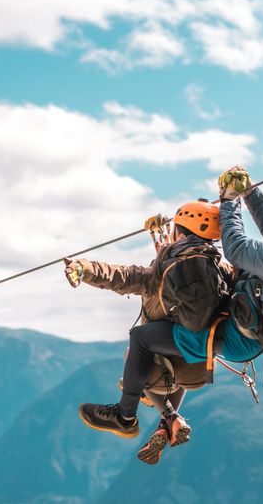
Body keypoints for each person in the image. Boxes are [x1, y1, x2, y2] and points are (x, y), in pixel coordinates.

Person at [73, 166, 263, 444]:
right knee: (177, 339)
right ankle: (168, 415)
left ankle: (124, 417)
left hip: (235, 335)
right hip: (249, 330)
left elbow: (236, 249)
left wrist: (229, 201)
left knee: (142, 339)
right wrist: (250, 192)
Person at [64, 199, 233, 465]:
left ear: (180, 231)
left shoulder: (163, 272)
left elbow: (121, 275)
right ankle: (170, 421)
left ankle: (125, 416)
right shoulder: (219, 269)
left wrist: (85, 269)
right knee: (158, 369)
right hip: (200, 367)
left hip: (164, 367)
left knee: (135, 353)